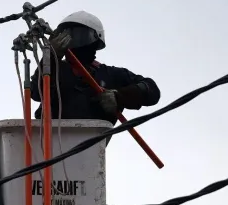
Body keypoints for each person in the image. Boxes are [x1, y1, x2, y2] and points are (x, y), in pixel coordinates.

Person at [30, 11, 161, 125]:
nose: (73, 42)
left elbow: (151, 90)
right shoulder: (54, 69)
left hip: (92, 146)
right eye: (67, 36)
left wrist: (120, 97)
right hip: (50, 143)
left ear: (95, 40)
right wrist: (51, 58)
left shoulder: (110, 75)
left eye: (80, 36)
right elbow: (36, 92)